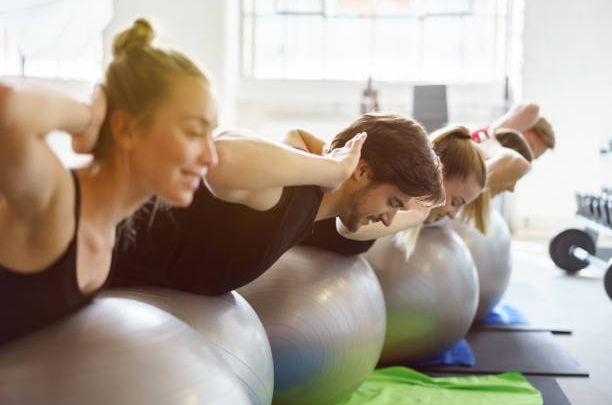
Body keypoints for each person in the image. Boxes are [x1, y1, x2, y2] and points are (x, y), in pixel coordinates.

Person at [0, 18, 218, 345]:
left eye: (211, 135)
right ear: (126, 129)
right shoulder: (55, 202)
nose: (211, 157)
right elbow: (10, 108)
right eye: (192, 132)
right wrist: (88, 118)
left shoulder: (105, 234)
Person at [110, 112, 445, 295]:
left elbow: (354, 232)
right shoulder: (291, 192)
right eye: (392, 202)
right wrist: (332, 167)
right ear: (361, 170)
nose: (388, 219)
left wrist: (418, 214)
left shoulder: (316, 211)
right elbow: (219, 154)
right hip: (74, 240)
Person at [300, 125, 487, 255]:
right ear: (441, 174)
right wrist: (419, 214)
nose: (454, 215)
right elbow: (349, 230)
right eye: (456, 202)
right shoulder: (400, 196)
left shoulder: (401, 205)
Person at [472, 103, 555, 159]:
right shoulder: (483, 139)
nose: (525, 159)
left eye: (532, 158)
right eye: (528, 147)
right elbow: (533, 109)